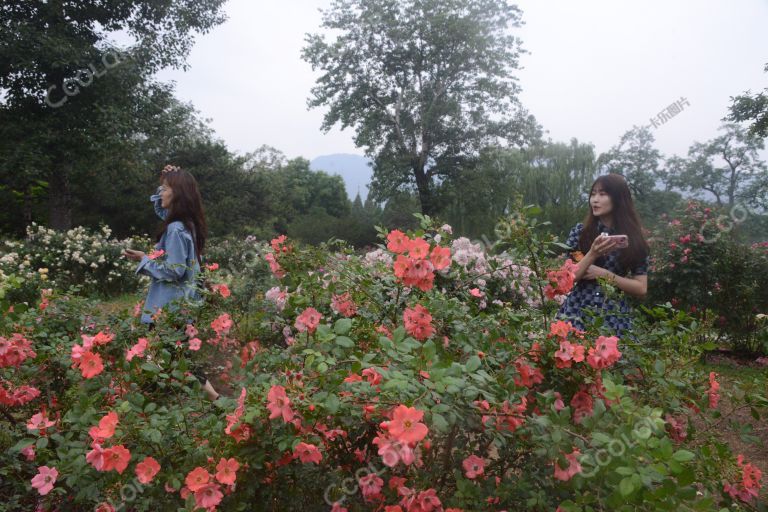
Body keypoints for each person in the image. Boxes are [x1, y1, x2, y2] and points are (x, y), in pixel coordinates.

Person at [124, 165, 220, 400]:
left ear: (177, 195)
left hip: (168, 308)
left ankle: (204, 402)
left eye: (165, 189)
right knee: (174, 358)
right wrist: (166, 179)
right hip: (180, 306)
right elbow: (162, 208)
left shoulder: (176, 229)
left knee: (162, 358)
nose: (161, 193)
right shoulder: (186, 223)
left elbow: (175, 270)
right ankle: (215, 400)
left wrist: (144, 260)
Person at [557, 173, 650, 337]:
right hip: (578, 310)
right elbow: (567, 280)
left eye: (602, 194)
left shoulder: (634, 238)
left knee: (611, 360)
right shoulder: (580, 232)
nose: (595, 200)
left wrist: (605, 275)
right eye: (593, 194)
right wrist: (592, 254)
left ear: (618, 198)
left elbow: (641, 288)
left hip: (613, 315)